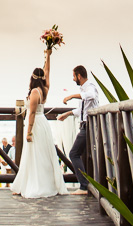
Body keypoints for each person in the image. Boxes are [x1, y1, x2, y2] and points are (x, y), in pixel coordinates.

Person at [10, 48, 67, 198]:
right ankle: (30, 183)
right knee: (40, 155)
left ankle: (36, 185)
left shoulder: (35, 92)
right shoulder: (45, 89)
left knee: (35, 155)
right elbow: (48, 72)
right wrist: (48, 55)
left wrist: (28, 132)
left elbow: (32, 113)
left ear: (32, 78)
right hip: (43, 124)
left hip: (36, 124)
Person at [58, 65, 99, 194]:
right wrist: (67, 113)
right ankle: (85, 184)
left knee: (73, 154)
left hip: (88, 126)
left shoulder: (90, 87)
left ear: (79, 76)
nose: (73, 79)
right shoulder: (84, 89)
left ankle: (84, 186)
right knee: (80, 154)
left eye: (74, 76)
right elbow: (82, 111)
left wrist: (71, 96)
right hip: (85, 125)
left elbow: (90, 95)